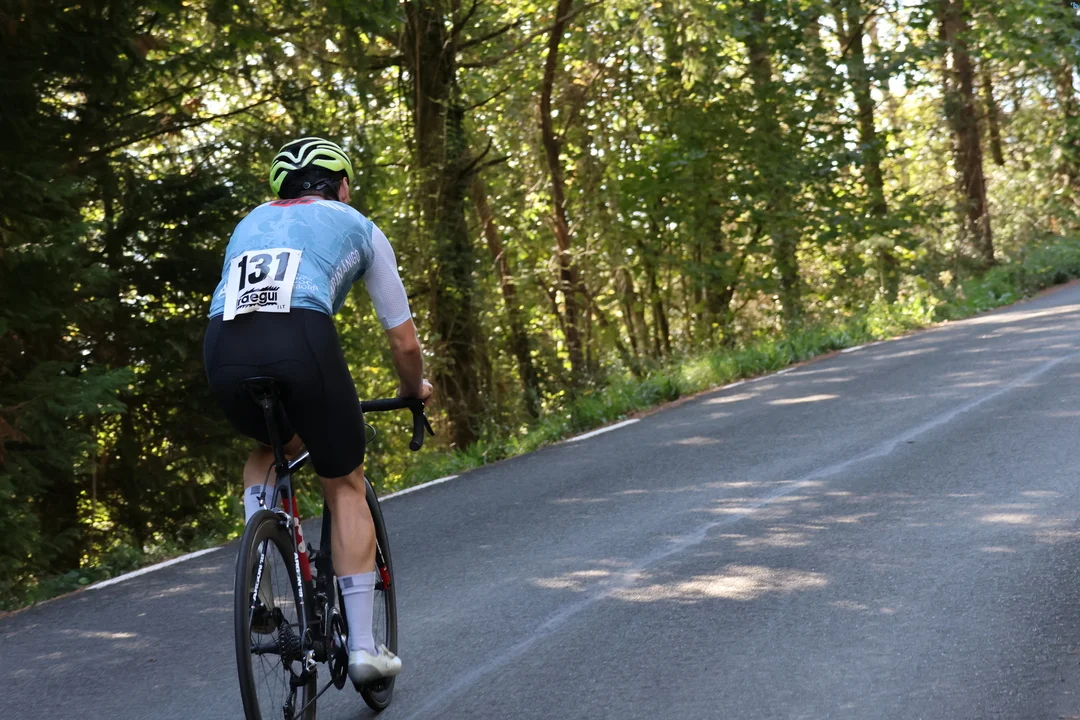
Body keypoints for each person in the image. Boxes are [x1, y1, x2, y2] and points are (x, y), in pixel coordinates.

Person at [203, 136, 431, 686]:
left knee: (271, 448)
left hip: (222, 350)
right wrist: (414, 389)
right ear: (343, 187)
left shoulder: (249, 222)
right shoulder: (358, 225)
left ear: (279, 190)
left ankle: (260, 563)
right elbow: (404, 342)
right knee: (344, 481)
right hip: (302, 339)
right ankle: (365, 650)